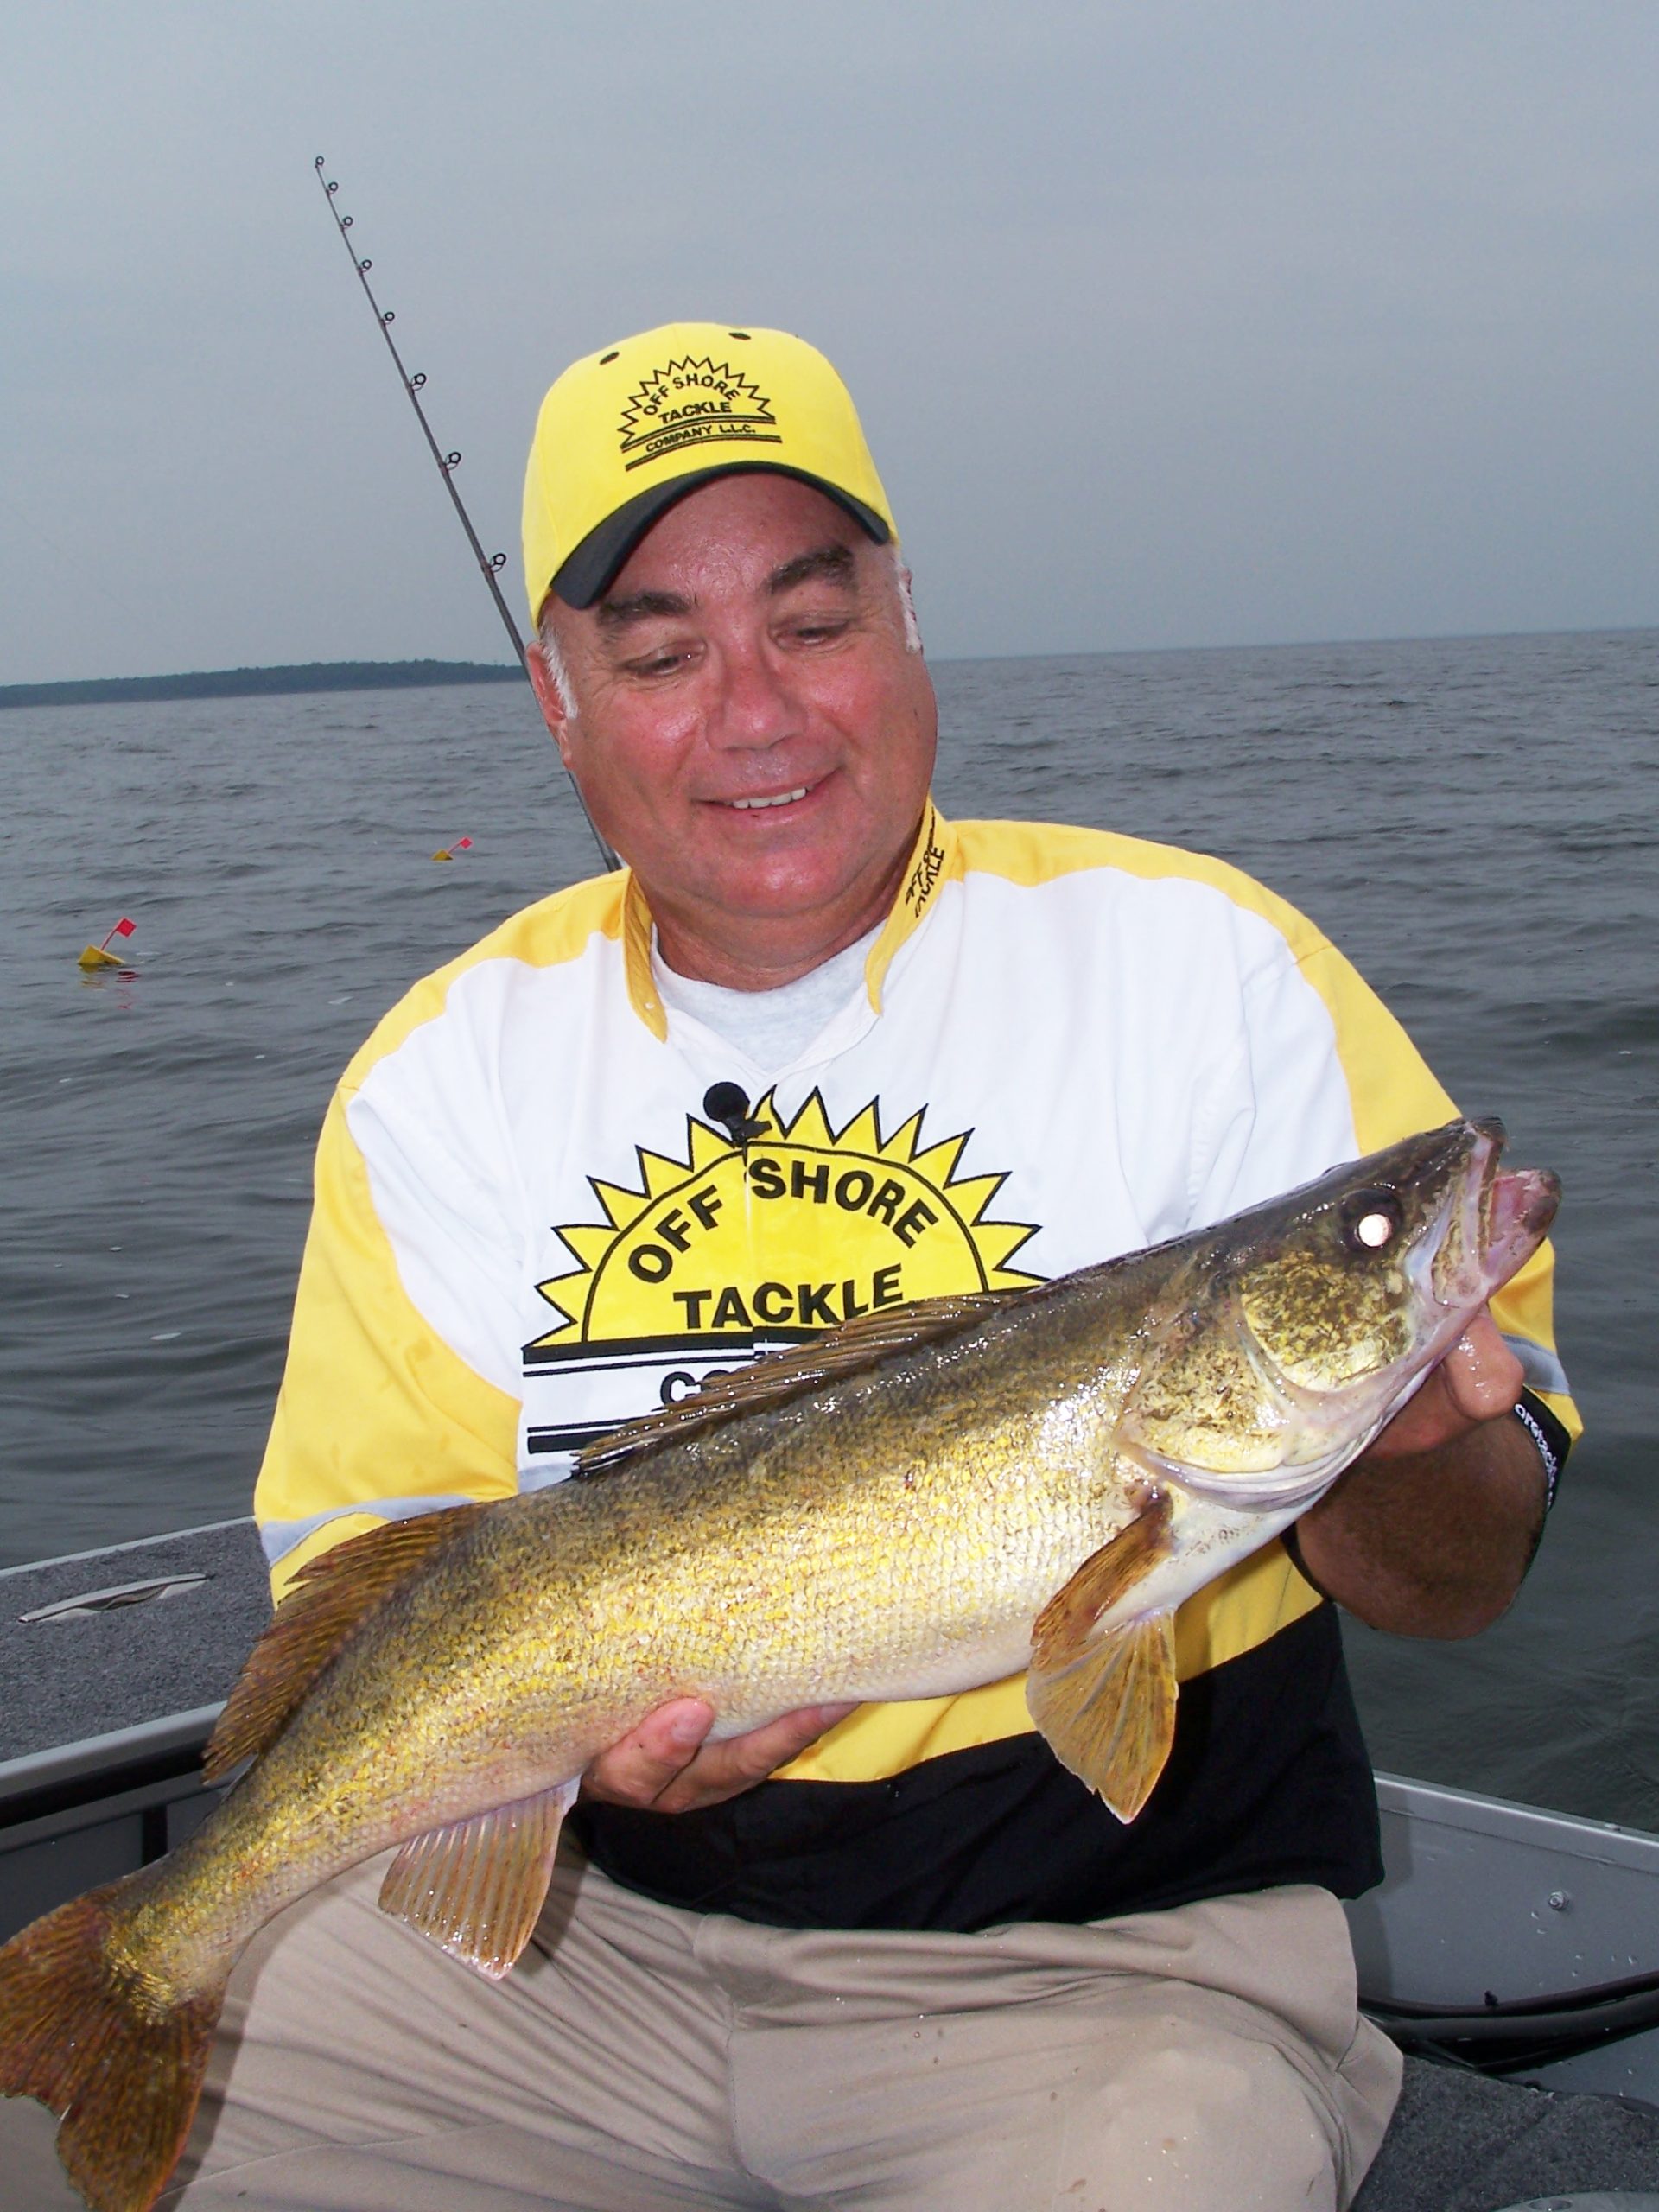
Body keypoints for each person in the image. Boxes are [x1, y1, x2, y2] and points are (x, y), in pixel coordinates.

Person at [105, 325, 1586, 2209]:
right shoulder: (442, 1070)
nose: (757, 712)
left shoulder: (1204, 967)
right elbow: (369, 1583)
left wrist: (1398, 1435)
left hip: (1101, 1962)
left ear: (905, 626)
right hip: (576, 1942)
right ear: (560, 703)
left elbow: (1467, 1574)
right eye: (659, 652)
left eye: (813, 622)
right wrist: (568, 1773)